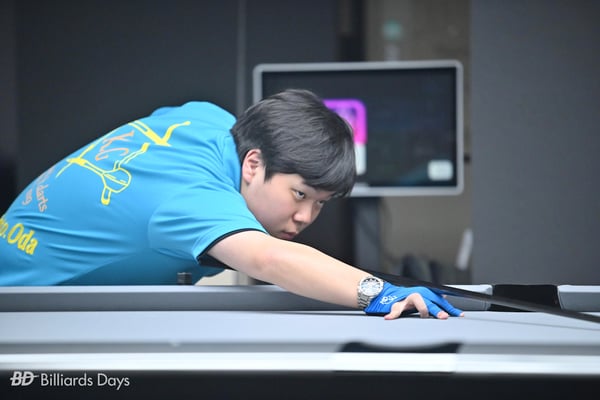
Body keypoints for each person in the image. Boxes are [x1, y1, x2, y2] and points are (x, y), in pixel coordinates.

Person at [0, 89, 463, 320]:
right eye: (300, 195)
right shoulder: (193, 198)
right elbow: (268, 259)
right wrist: (378, 292)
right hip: (16, 309)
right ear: (253, 163)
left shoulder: (208, 120)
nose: (305, 217)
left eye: (320, 203)